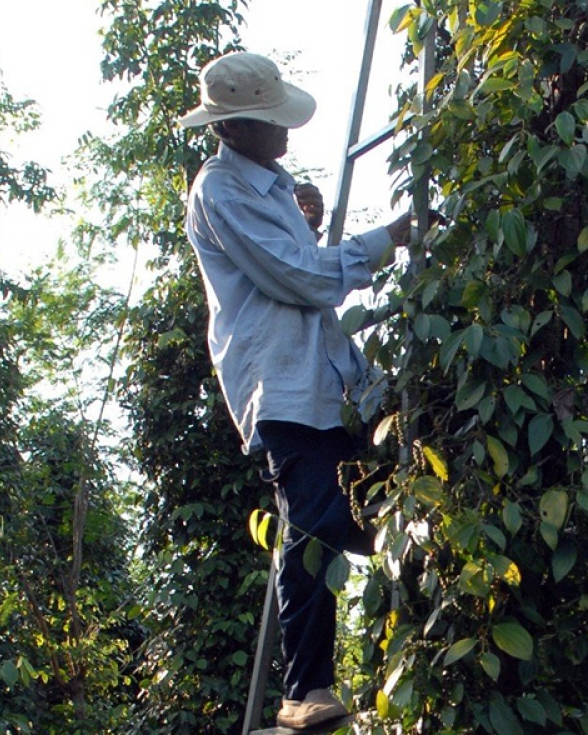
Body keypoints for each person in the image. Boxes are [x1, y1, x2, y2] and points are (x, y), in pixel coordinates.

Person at [178, 51, 412, 730]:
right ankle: (305, 688)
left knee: (381, 495)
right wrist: (381, 241)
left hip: (330, 378)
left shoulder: (271, 184)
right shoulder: (218, 190)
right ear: (233, 129)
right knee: (314, 524)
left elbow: (299, 268)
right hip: (281, 387)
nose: (286, 133)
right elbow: (299, 280)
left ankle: (399, 600)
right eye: (272, 122)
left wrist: (308, 228)